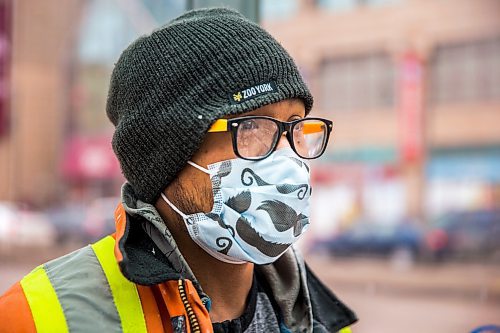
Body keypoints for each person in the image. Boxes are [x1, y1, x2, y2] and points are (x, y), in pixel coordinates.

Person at [0, 8, 356, 333]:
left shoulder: (321, 320)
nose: (286, 157)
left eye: (294, 125)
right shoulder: (38, 317)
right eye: (250, 128)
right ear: (168, 153)